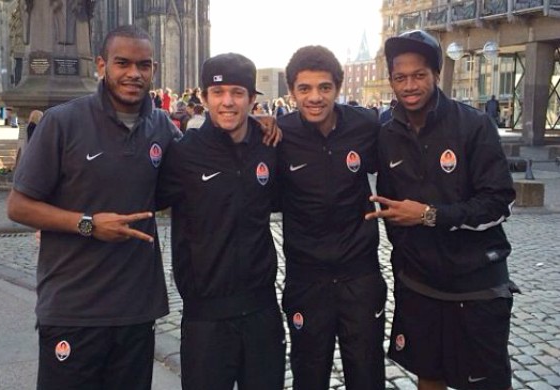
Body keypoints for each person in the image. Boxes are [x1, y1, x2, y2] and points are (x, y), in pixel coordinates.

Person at [6, 25, 180, 390]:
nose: (134, 73)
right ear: (102, 65)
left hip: (135, 312)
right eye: (123, 63)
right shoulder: (63, 122)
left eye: (143, 65)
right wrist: (87, 224)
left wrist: (263, 127)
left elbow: (205, 163)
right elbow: (19, 206)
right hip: (74, 311)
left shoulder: (162, 126)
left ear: (154, 69)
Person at [365, 30, 518, 390]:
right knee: (428, 377)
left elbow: (499, 202)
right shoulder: (385, 131)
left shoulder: (474, 125)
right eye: (400, 77)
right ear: (390, 81)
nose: (410, 85)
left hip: (476, 284)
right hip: (419, 284)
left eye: (419, 75)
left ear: (435, 74)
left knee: (483, 382)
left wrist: (430, 215)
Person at [156, 52, 285, 390]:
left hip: (261, 311)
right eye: (218, 92)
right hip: (206, 317)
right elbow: (136, 195)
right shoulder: (184, 153)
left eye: (238, 93)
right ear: (203, 97)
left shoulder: (269, 147)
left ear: (253, 99)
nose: (228, 102)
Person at [277, 45, 386, 390]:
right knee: (309, 374)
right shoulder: (276, 136)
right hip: (306, 279)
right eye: (304, 88)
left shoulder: (366, 126)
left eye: (324, 87)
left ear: (338, 89)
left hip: (360, 275)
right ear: (291, 91)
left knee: (367, 373)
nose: (315, 97)